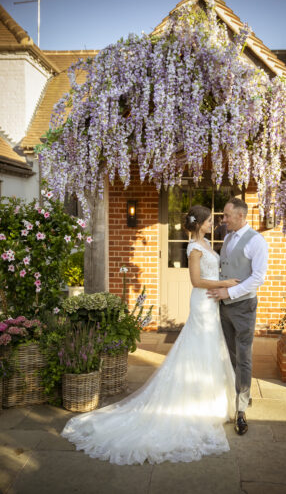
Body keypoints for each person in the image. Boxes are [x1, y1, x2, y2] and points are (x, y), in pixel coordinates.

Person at [61, 205, 238, 465]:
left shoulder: (207, 242)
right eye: (209, 220)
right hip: (202, 302)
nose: (213, 223)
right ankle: (198, 403)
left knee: (211, 348)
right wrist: (226, 283)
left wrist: (222, 284)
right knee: (200, 347)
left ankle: (213, 402)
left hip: (212, 304)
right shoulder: (194, 248)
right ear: (198, 223)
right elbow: (197, 281)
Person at [207, 198, 268, 436]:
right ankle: (235, 397)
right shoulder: (229, 236)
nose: (223, 220)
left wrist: (229, 292)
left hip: (243, 308)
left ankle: (241, 410)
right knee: (229, 355)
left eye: (227, 216)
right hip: (223, 308)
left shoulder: (256, 241)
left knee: (243, 358)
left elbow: (258, 277)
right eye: (223, 216)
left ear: (241, 216)